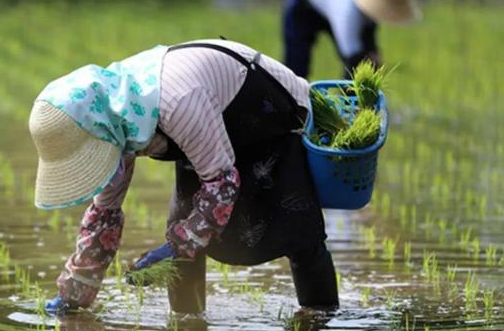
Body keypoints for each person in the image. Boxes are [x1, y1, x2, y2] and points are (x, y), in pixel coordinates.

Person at [29, 39, 338, 314]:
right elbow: (104, 214)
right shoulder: (116, 121)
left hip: (266, 114)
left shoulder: (177, 102)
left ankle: (323, 320)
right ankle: (187, 327)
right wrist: (75, 292)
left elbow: (221, 185)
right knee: (183, 226)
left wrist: (177, 246)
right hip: (209, 129)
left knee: (298, 229)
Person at [283, 0, 421, 78]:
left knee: (369, 63)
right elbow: (352, 58)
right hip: (303, 6)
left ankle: (355, 111)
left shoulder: (368, 7)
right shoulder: (347, 11)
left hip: (334, 5)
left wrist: (373, 55)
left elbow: (368, 40)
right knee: (296, 71)